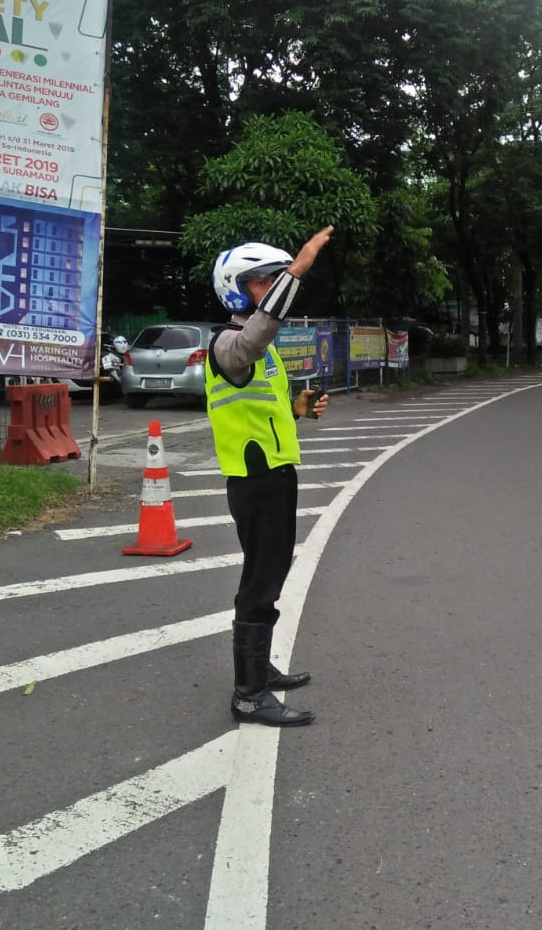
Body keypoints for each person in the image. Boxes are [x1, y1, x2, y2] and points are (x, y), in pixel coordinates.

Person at [207, 226, 334, 728]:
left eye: (275, 279)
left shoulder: (262, 350)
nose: (273, 287)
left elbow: (265, 410)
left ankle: (260, 671)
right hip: (254, 478)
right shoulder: (227, 343)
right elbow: (251, 341)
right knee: (260, 581)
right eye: (264, 280)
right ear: (237, 289)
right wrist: (296, 272)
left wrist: (299, 409)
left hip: (274, 474)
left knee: (272, 574)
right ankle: (248, 694)